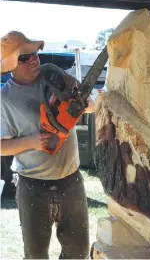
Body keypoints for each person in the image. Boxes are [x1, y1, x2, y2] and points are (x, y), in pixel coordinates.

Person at [0, 31, 95, 259]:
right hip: (33, 186)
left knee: (78, 252)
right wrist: (32, 142)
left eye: (34, 53)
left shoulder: (53, 74)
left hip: (71, 179)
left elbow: (88, 104)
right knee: (35, 254)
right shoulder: (5, 99)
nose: (34, 59)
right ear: (12, 64)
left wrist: (81, 105)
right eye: (25, 57)